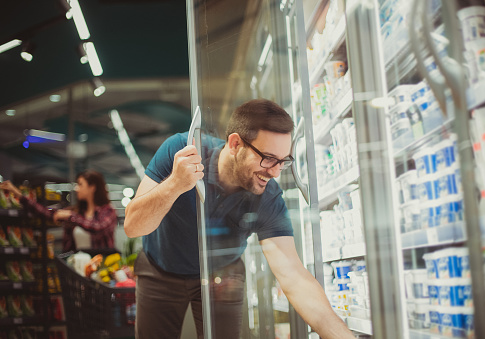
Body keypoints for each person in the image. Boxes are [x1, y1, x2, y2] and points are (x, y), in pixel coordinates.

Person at [124, 99, 355, 339]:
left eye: (283, 161)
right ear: (235, 144)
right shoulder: (181, 151)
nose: (275, 172)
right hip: (161, 268)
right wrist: (175, 184)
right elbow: (133, 226)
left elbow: (294, 277)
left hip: (222, 274)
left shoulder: (268, 196)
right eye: (268, 158)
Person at [0, 170, 117, 252]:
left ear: (93, 187)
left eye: (80, 184)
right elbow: (47, 213)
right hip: (77, 271)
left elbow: (97, 227)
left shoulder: (108, 211)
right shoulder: (76, 212)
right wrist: (19, 195)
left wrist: (72, 217)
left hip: (102, 268)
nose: (76, 188)